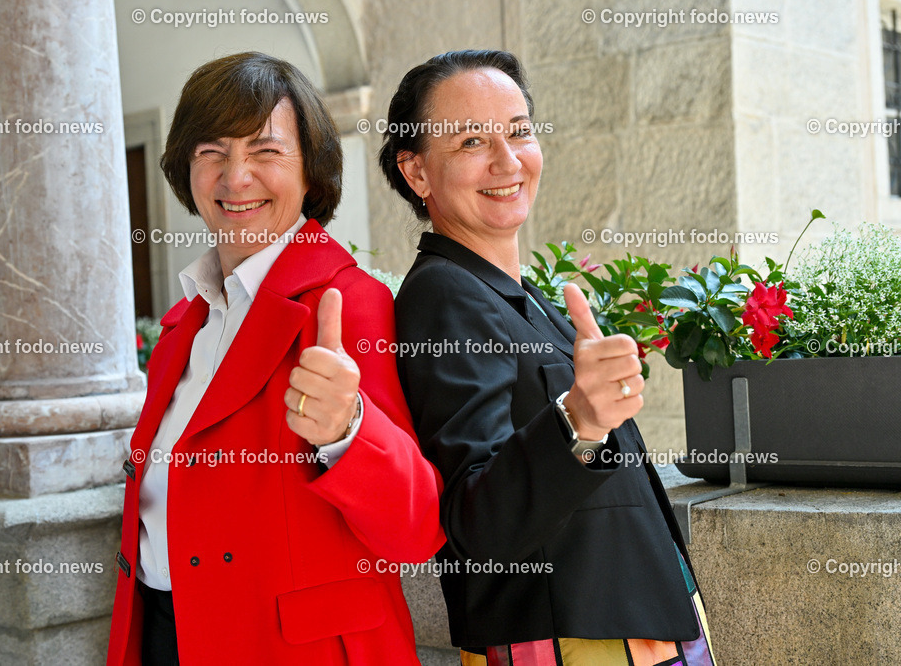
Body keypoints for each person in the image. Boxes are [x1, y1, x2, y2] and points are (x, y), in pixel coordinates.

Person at [381, 49, 717, 666]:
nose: (507, 161)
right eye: (471, 142)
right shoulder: (442, 296)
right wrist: (578, 420)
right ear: (416, 171)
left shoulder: (515, 293)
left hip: (635, 624)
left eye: (519, 133)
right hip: (574, 641)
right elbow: (471, 521)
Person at [107, 52, 444, 666]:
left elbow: (415, 531)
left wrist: (350, 431)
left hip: (293, 649)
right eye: (212, 151)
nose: (236, 178)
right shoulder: (185, 322)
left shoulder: (348, 305)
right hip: (164, 632)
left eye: (265, 151)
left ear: (311, 173)